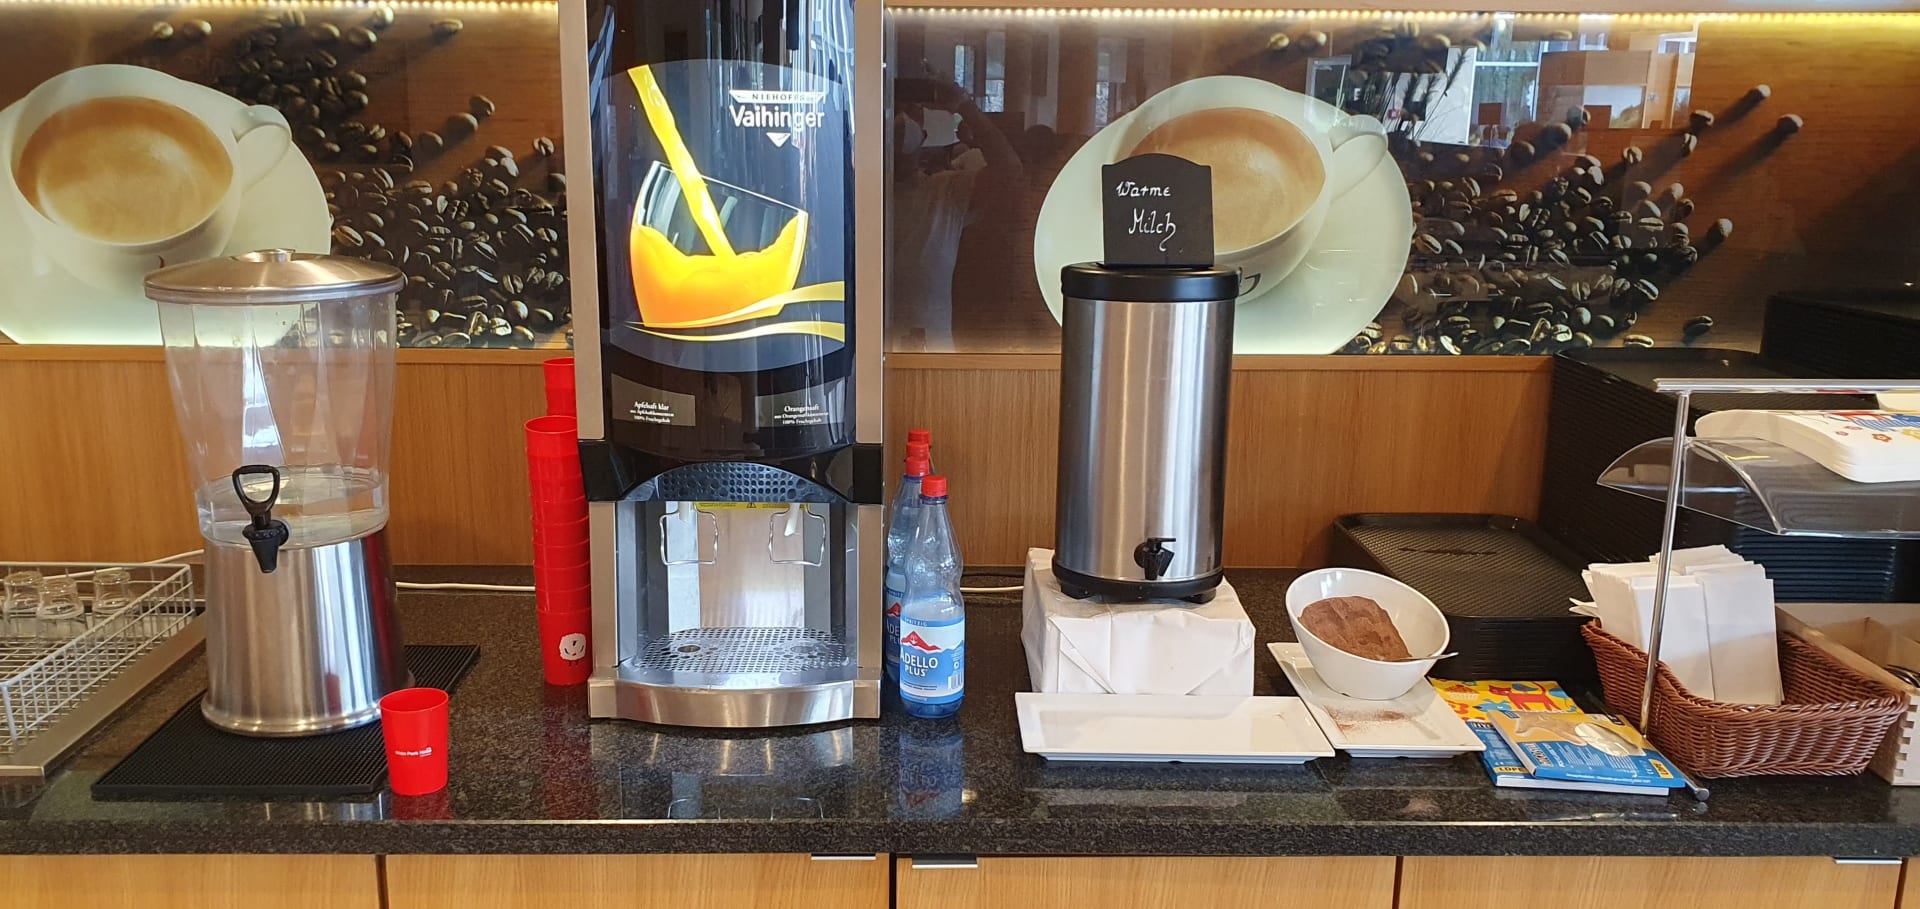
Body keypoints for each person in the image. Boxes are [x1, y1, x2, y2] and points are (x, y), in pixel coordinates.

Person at [889, 79, 1022, 351]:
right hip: (868, 347)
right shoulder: (858, 196)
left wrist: (964, 106)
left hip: (931, 347)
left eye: (912, 109)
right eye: (895, 107)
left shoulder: (945, 192)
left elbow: (1009, 170)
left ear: (924, 135)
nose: (903, 119)